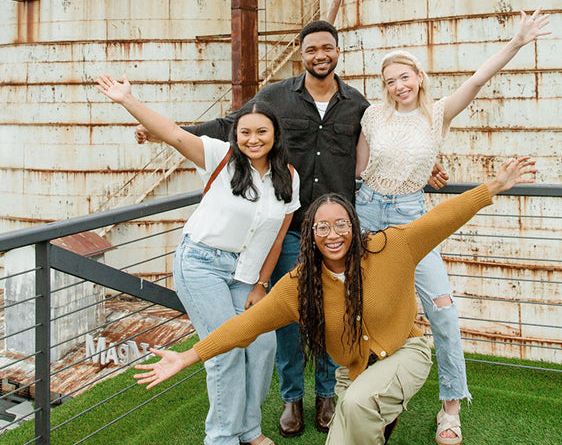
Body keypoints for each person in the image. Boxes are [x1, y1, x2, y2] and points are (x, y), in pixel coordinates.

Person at [134, 157, 537, 445]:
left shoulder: (390, 246)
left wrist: (494, 187)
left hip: (405, 352)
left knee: (358, 406)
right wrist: (190, 356)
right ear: (309, 234)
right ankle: (379, 414)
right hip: (355, 369)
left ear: (353, 225)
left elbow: (441, 217)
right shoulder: (299, 284)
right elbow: (246, 326)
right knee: (349, 423)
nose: (332, 234)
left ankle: (380, 409)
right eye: (322, 227)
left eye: (340, 224)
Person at [135, 20, 369, 436]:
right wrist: (167, 135)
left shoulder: (356, 103)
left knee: (332, 313)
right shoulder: (277, 96)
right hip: (290, 232)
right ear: (302, 54)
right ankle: (292, 399)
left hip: (335, 232)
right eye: (312, 48)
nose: (320, 55)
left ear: (337, 51)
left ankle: (328, 395)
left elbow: (381, 144)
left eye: (327, 48)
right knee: (286, 320)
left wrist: (429, 165)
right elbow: (231, 127)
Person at [354, 7, 551, 445]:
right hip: (365, 213)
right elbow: (359, 167)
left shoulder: (438, 113)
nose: (398, 86)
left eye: (405, 77)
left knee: (441, 308)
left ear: (419, 77)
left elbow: (478, 80)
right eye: (390, 81)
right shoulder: (372, 116)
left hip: (411, 216)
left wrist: (517, 41)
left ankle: (450, 407)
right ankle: (360, 394)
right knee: (362, 304)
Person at [96, 74, 300, 445]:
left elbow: (278, 235)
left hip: (245, 275)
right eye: (245, 132)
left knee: (263, 344)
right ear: (235, 135)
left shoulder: (288, 176)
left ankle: (248, 429)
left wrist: (261, 284)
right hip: (201, 263)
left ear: (275, 134)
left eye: (261, 132)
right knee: (224, 350)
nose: (253, 139)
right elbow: (173, 133)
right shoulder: (221, 157)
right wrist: (127, 99)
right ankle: (221, 437)